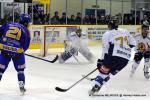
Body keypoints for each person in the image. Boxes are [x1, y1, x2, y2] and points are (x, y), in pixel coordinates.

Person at [88, 19, 136, 96]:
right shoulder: (125, 31)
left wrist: (101, 60)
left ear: (109, 26)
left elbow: (105, 48)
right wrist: (124, 47)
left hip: (114, 56)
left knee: (103, 72)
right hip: (125, 59)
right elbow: (133, 43)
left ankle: (96, 86)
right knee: (110, 73)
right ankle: (100, 84)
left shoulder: (107, 33)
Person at [0, 13, 31, 94]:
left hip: (4, 50)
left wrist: (3, 43)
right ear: (26, 22)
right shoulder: (26, 30)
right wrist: (20, 50)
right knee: (20, 70)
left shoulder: (8, 24)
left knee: (0, 70)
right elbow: (26, 45)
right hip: (17, 53)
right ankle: (21, 86)